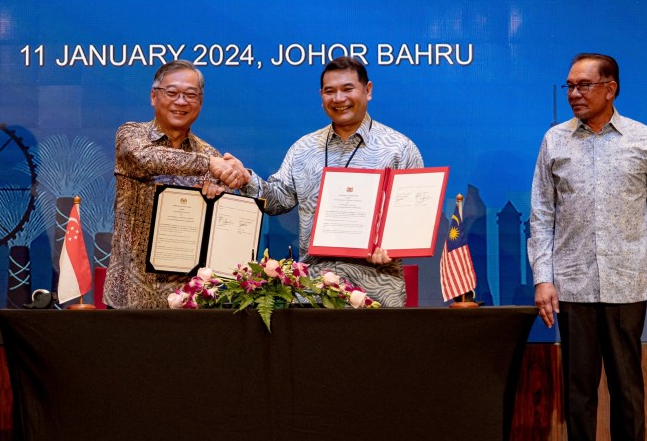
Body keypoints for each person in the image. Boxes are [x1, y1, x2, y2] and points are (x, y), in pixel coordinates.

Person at [527, 53, 647, 441]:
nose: (574, 93)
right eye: (569, 86)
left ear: (610, 88)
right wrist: (542, 278)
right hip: (571, 287)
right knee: (577, 393)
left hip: (628, 284)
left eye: (584, 85)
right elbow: (541, 217)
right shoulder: (555, 141)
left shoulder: (644, 139)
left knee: (628, 392)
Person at [242, 57, 423, 307]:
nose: (338, 98)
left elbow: (413, 218)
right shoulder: (303, 149)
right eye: (330, 91)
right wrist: (245, 179)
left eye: (348, 89)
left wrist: (394, 247)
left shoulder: (399, 149)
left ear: (367, 90)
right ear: (321, 95)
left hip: (378, 289)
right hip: (312, 291)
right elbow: (277, 202)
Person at [103, 60, 248, 309]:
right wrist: (211, 165)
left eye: (190, 95)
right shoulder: (131, 135)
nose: (181, 102)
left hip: (187, 296)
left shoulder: (209, 153)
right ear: (153, 96)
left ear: (200, 101)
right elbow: (145, 160)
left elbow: (218, 231)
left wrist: (216, 198)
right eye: (172, 93)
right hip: (129, 293)